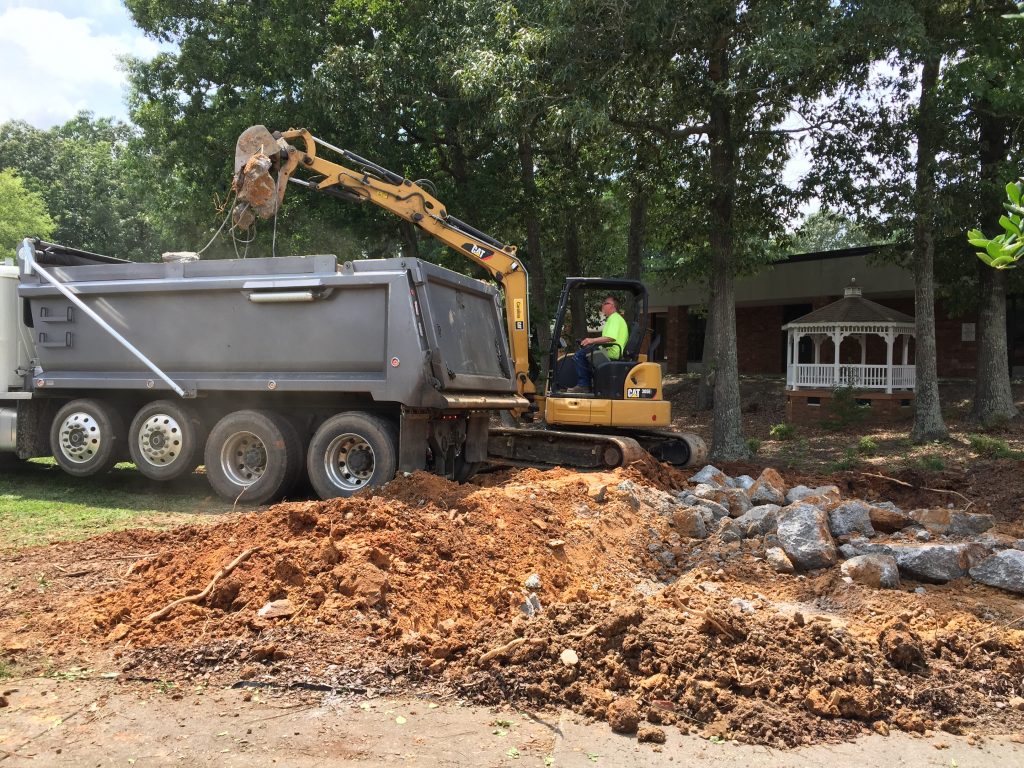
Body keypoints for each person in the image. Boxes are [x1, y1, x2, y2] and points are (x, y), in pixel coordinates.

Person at [567, 296, 628, 393]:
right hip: (609, 350)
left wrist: (591, 340)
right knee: (585, 353)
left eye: (605, 303)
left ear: (612, 306)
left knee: (579, 356)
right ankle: (590, 383)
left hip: (611, 353)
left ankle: (584, 385)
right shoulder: (614, 319)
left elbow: (610, 338)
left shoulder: (615, 318)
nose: (602, 305)